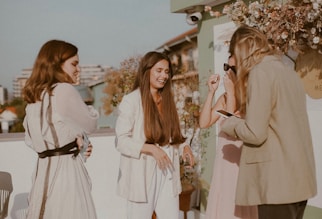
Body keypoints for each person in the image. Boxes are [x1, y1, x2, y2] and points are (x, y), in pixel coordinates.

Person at [221, 25, 317, 219]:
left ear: (240, 50)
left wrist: (230, 123)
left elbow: (255, 133)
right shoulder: (288, 72)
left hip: (276, 183)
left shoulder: (260, 72)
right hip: (298, 179)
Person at [22, 39, 99, 219]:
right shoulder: (64, 90)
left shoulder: (35, 96)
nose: (78, 69)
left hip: (42, 173)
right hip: (66, 174)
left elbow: (30, 139)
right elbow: (91, 124)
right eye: (74, 64)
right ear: (57, 64)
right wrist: (86, 111)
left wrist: (74, 140)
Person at [115, 51, 195, 219]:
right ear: (147, 71)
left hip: (167, 170)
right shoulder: (132, 101)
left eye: (166, 72)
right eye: (159, 70)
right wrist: (151, 149)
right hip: (141, 172)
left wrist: (184, 147)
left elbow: (173, 136)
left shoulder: (167, 100)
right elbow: (121, 141)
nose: (163, 76)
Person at [199, 56, 257, 219]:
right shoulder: (224, 98)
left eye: (233, 68)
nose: (228, 72)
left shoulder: (251, 98)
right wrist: (211, 92)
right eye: (227, 67)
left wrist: (231, 93)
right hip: (223, 164)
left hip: (239, 164)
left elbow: (233, 127)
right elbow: (204, 123)